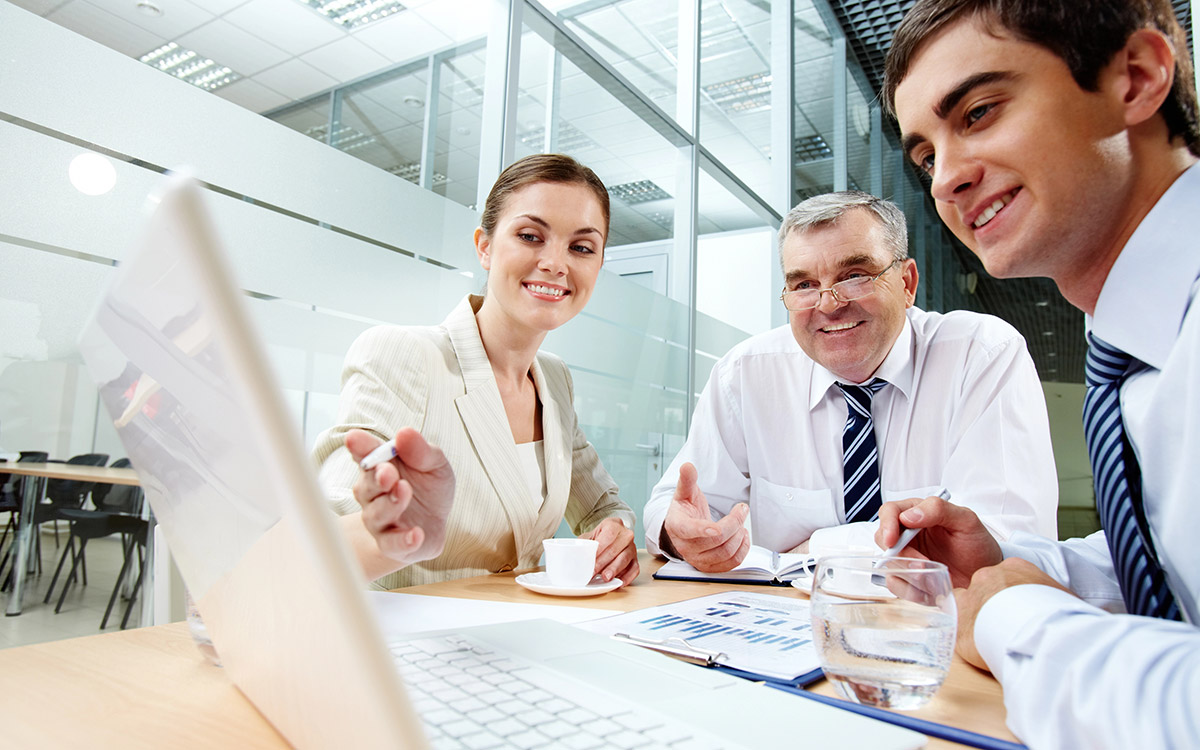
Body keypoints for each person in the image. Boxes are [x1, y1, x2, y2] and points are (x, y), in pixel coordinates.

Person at [881, 1, 1200, 747]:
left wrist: (1016, 616)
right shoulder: (1132, 342)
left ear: (1137, 77)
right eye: (925, 156)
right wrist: (1004, 565)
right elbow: (1174, 562)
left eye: (981, 112)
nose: (946, 181)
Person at [643, 190, 1057, 572]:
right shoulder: (746, 373)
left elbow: (1003, 539)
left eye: (854, 275)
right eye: (804, 284)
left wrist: (812, 550)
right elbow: (676, 506)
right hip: (781, 625)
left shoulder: (980, 354)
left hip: (935, 625)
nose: (828, 304)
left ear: (907, 283)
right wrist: (678, 533)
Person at [313, 154, 639, 590]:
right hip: (408, 643)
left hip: (519, 641)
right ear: (484, 247)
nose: (556, 263)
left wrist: (616, 534)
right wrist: (389, 533)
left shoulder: (553, 379)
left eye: (581, 247)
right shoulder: (405, 355)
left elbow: (601, 505)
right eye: (530, 236)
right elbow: (320, 540)